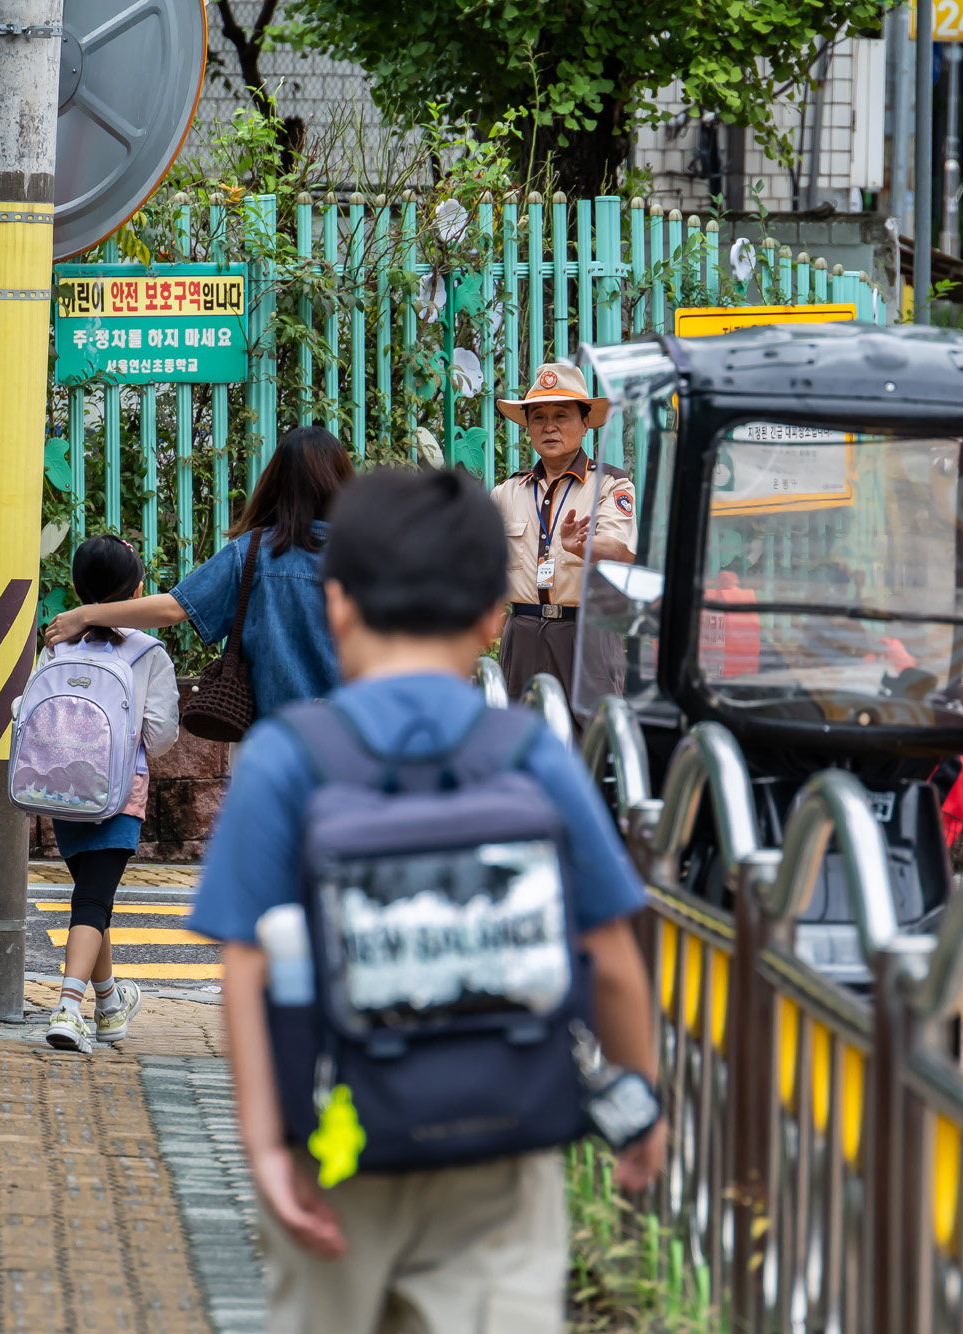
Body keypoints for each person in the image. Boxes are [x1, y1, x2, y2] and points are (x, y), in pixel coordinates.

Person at [189, 468, 665, 1334]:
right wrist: (642, 1106)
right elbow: (614, 958)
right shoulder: (531, 754)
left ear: (338, 607)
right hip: (505, 1140)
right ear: (493, 617)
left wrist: (266, 1144)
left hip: (338, 1147)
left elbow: (245, 970)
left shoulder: (288, 759)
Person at [43, 425, 352, 713]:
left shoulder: (253, 551)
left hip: (271, 741)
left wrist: (85, 614)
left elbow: (173, 609)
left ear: (276, 483)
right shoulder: (370, 555)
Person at [38, 536, 181, 1053]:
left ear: (76, 590)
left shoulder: (57, 643)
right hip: (119, 792)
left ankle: (111, 1004)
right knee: (94, 901)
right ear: (136, 592)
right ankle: (69, 1009)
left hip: (59, 789)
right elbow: (162, 736)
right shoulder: (148, 652)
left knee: (90, 900)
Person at [490, 363, 638, 701]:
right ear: (527, 426)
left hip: (588, 633)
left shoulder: (611, 484)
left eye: (562, 415)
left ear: (585, 423)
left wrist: (582, 546)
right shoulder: (507, 492)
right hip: (522, 632)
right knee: (520, 736)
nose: (549, 427)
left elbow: (621, 550)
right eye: (538, 417)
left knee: (589, 740)